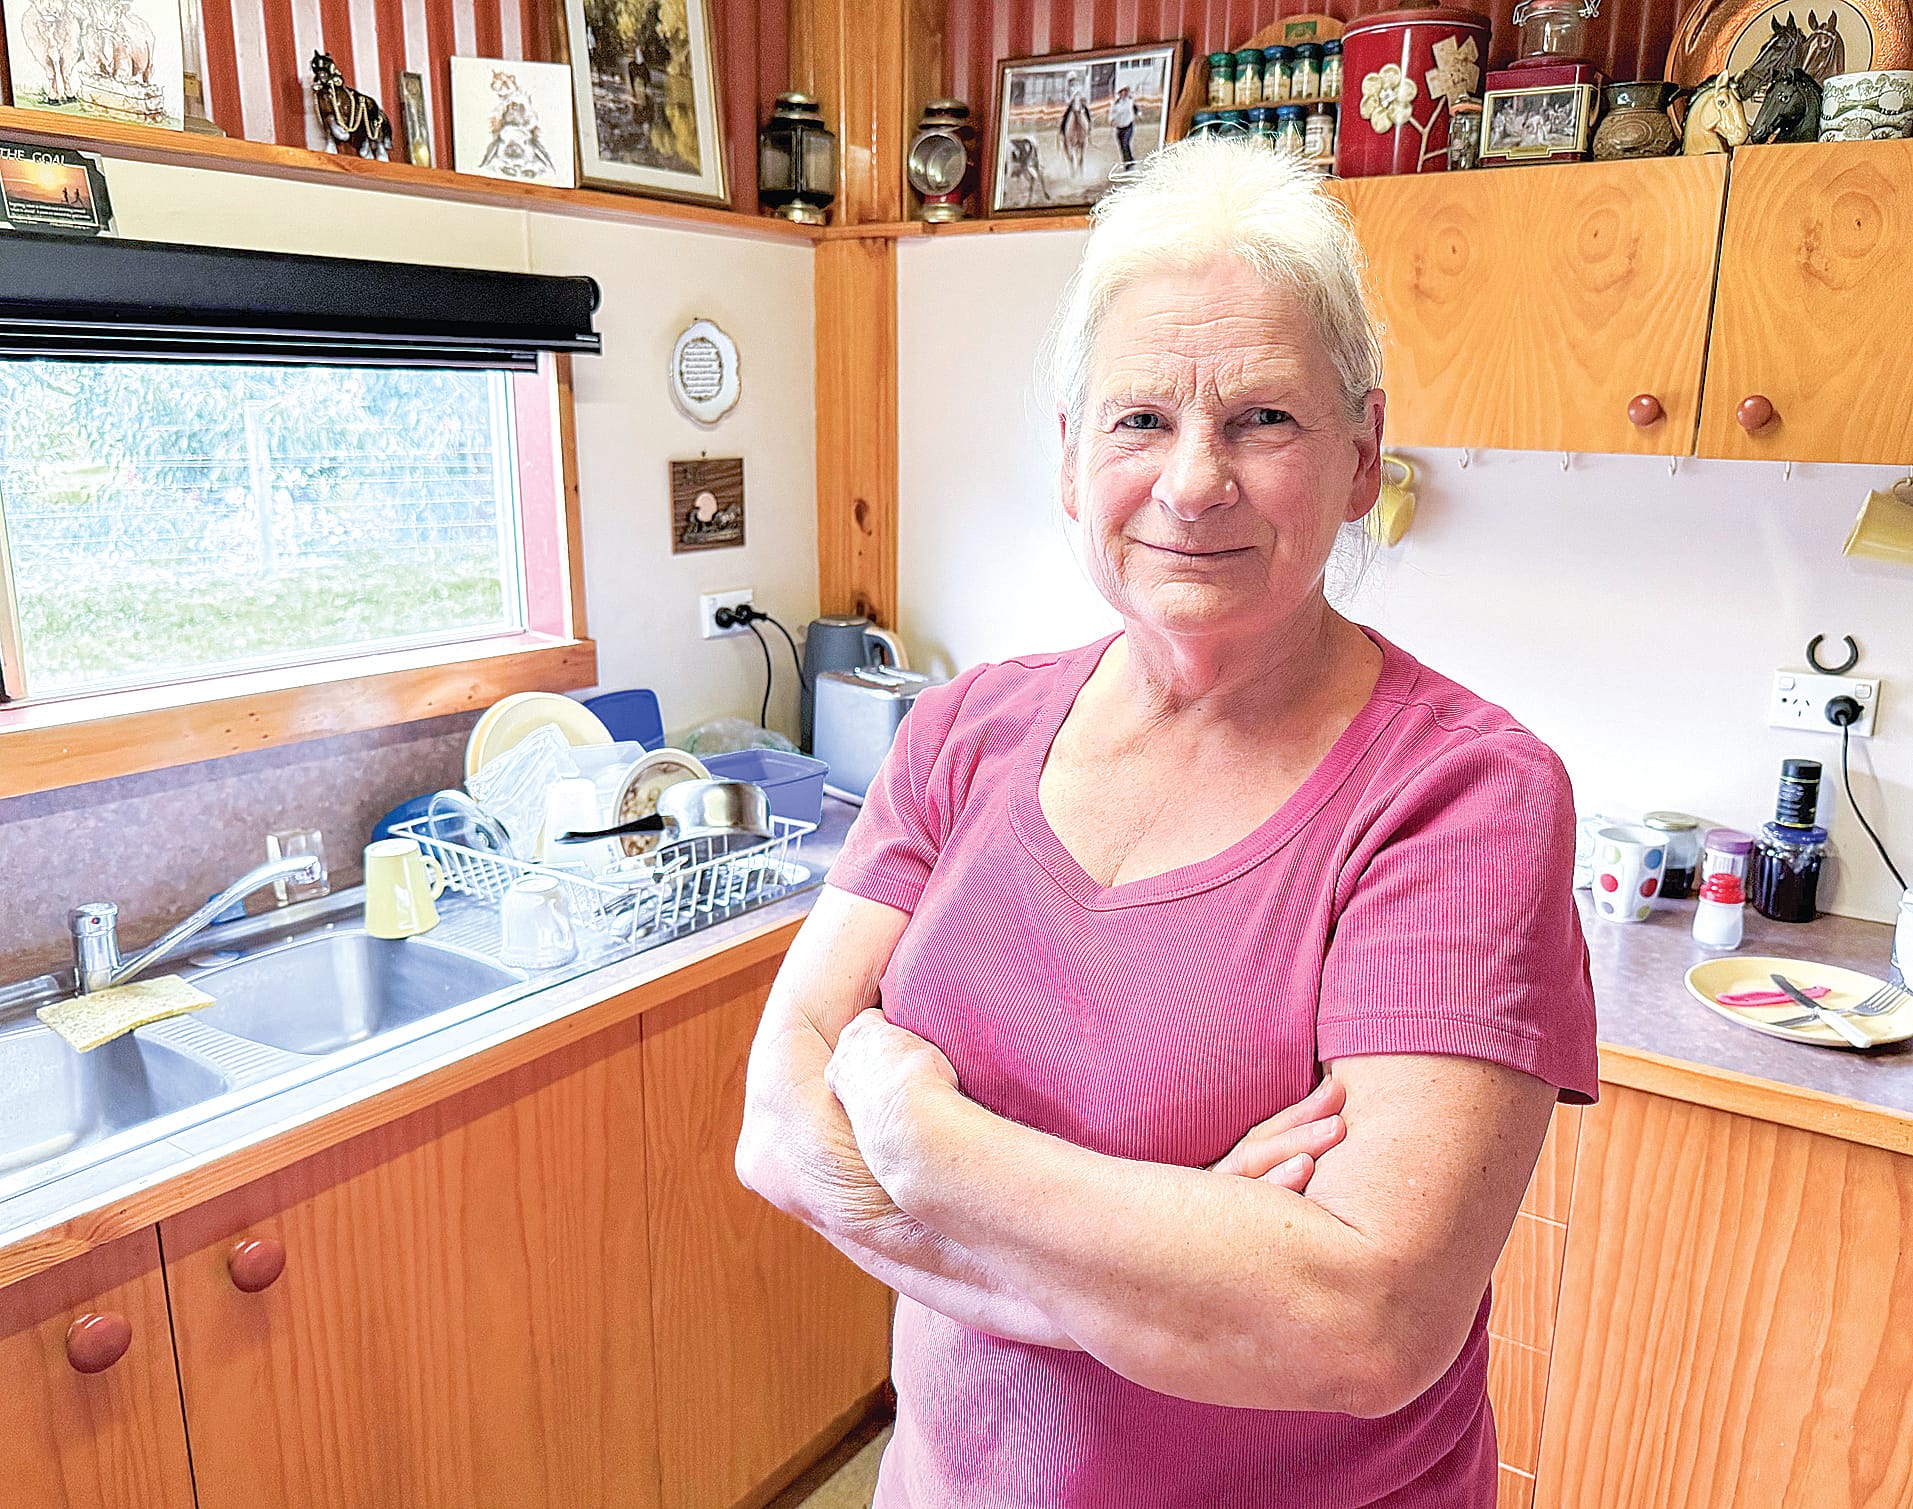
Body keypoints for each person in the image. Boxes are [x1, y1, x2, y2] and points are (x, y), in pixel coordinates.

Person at [736, 136, 1599, 1508]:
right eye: (1141, 419)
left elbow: (1359, 1319)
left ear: (1361, 454)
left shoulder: (1461, 795)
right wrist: (1173, 1255)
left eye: (1263, 420)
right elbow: (777, 1122)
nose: (1194, 481)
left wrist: (922, 1136)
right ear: (1073, 460)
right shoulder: (964, 732)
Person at [1110, 83, 1138, 166]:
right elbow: (1112, 114)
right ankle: (1127, 163)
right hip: (1119, 128)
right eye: (1122, 92)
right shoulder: (1115, 104)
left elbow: (1135, 108)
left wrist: (1138, 113)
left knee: (1126, 143)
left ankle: (1130, 161)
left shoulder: (1130, 101)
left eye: (1125, 91)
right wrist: (1112, 120)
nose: (1123, 93)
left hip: (1128, 126)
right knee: (1122, 146)